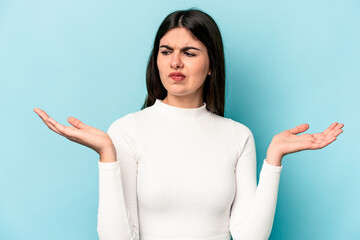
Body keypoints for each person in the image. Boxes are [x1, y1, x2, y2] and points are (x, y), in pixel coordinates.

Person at [33, 8, 344, 240]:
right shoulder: (126, 131)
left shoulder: (238, 137)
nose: (175, 62)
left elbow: (250, 236)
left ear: (211, 66)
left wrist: (273, 159)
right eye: (166, 51)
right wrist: (106, 155)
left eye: (190, 52)